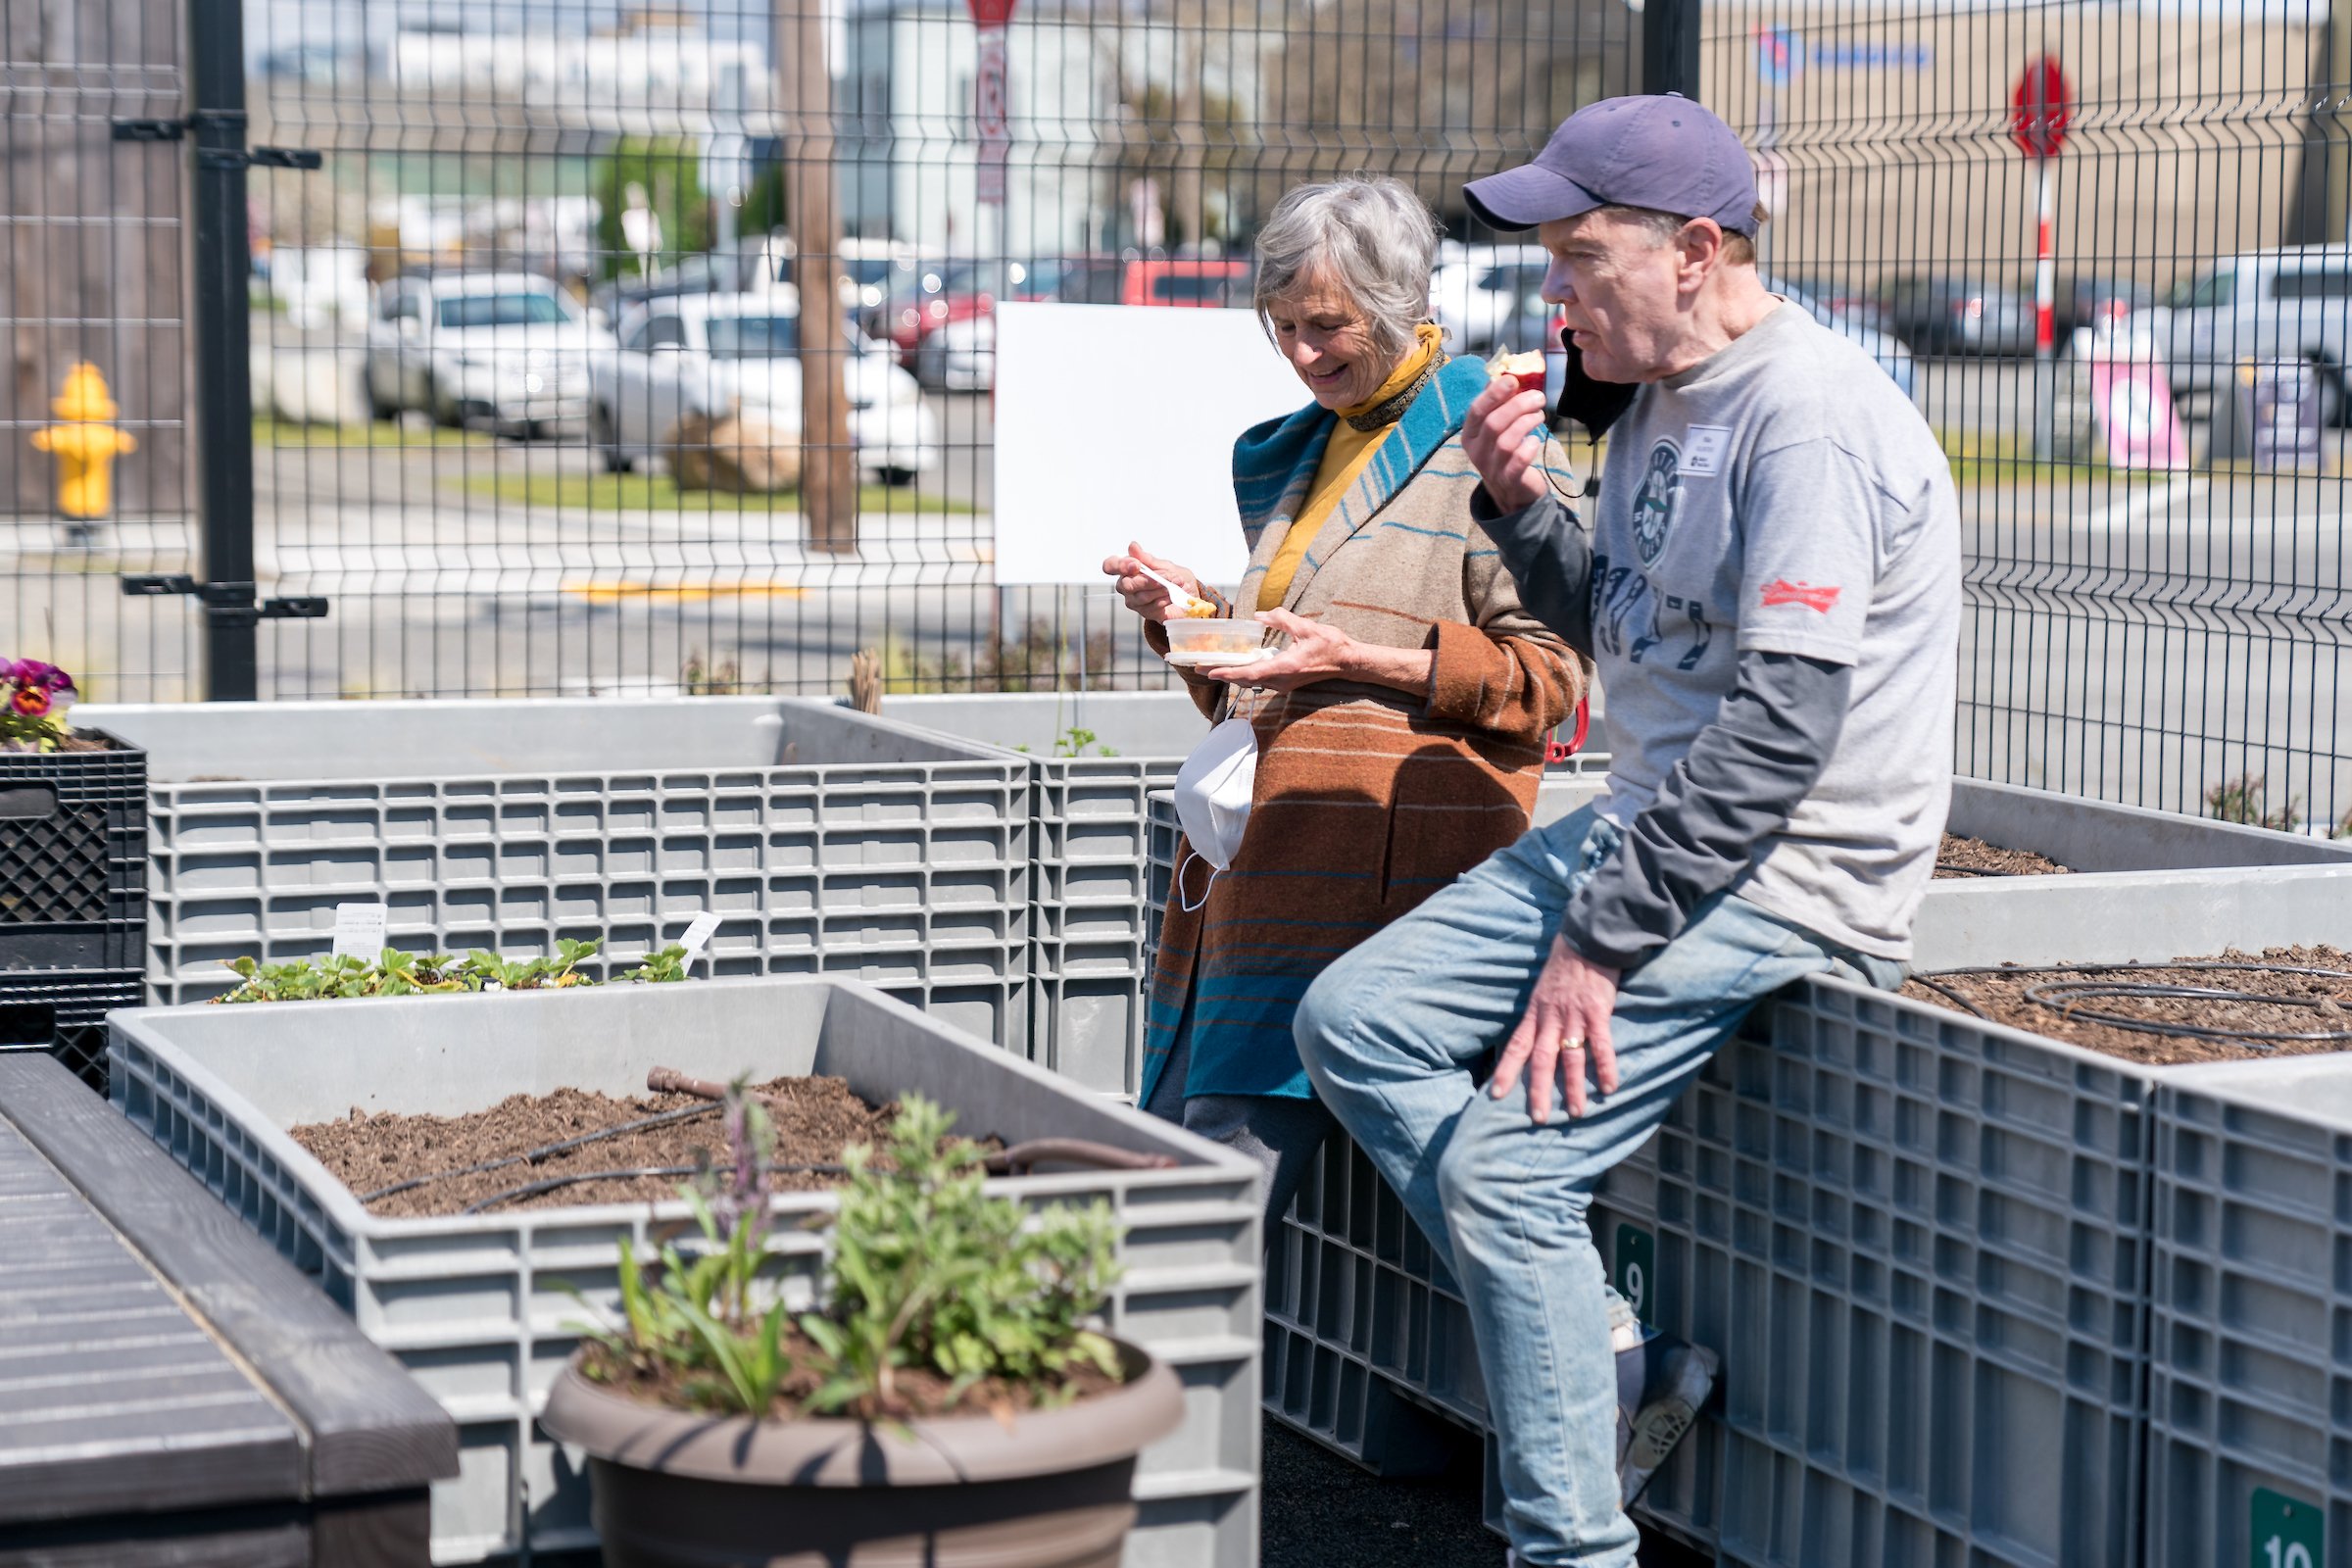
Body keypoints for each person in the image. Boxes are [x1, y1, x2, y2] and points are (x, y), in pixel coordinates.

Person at [1292, 96, 1961, 1566]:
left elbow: (1781, 733)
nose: (1556, 289)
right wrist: (1524, 507)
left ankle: (1572, 1549)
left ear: (1697, 250)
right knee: (1351, 1022)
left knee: (1503, 1176)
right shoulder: (1662, 400)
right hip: (1653, 836)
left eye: (1581, 253)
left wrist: (1597, 948)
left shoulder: (1812, 424)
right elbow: (1638, 631)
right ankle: (1598, 1343)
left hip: (1785, 871)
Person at [1101, 174, 1585, 1233]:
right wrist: (1186, 616)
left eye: (1328, 327)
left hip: (1376, 904)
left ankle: (1614, 1358)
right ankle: (1615, 1356)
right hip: (1261, 886)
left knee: (1202, 1219)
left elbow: (1552, 675)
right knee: (1209, 1195)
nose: (1304, 355)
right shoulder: (1302, 452)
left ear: (1405, 304)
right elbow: (1272, 683)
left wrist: (1368, 658)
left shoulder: (1494, 447)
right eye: (1282, 329)